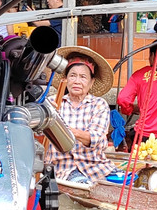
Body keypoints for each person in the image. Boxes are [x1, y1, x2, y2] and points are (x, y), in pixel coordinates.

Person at [47, 47, 114, 183]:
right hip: (62, 169)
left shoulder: (99, 104)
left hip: (94, 168)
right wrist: (47, 116)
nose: (77, 81)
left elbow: (95, 138)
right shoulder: (52, 103)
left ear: (91, 82)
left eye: (83, 77)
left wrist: (62, 129)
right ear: (65, 79)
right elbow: (38, 137)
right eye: (72, 75)